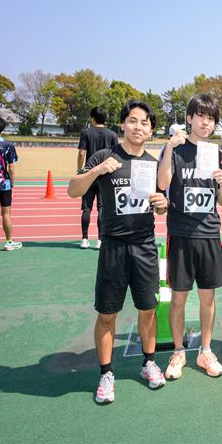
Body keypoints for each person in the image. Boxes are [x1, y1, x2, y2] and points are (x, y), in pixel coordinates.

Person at [67, 100, 170, 404]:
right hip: (113, 248)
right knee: (107, 314)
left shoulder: (152, 164)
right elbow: (73, 189)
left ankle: (148, 363)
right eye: (133, 121)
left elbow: (161, 205)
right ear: (123, 124)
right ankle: (106, 373)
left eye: (145, 123)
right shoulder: (104, 156)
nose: (138, 127)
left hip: (145, 247)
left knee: (148, 310)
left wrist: (163, 205)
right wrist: (98, 170)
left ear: (151, 130)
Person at [158, 94, 222, 379]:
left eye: (211, 118)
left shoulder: (216, 153)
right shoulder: (175, 150)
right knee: (178, 299)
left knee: (207, 298)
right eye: (201, 116)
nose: (205, 122)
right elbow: (162, 182)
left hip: (209, 233)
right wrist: (168, 147)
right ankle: (178, 351)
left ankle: (205, 351)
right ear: (189, 118)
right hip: (181, 234)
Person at [77, 107, 119, 249]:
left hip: (89, 174)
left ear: (93, 118)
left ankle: (84, 239)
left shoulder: (86, 132)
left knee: (86, 208)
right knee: (102, 207)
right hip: (105, 175)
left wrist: (80, 171)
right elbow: (116, 155)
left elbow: (82, 153)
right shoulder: (112, 134)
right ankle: (100, 239)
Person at [0, 114, 22, 255]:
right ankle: (8, 242)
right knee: (6, 213)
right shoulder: (8, 144)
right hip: (4, 184)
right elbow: (11, 167)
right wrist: (12, 183)